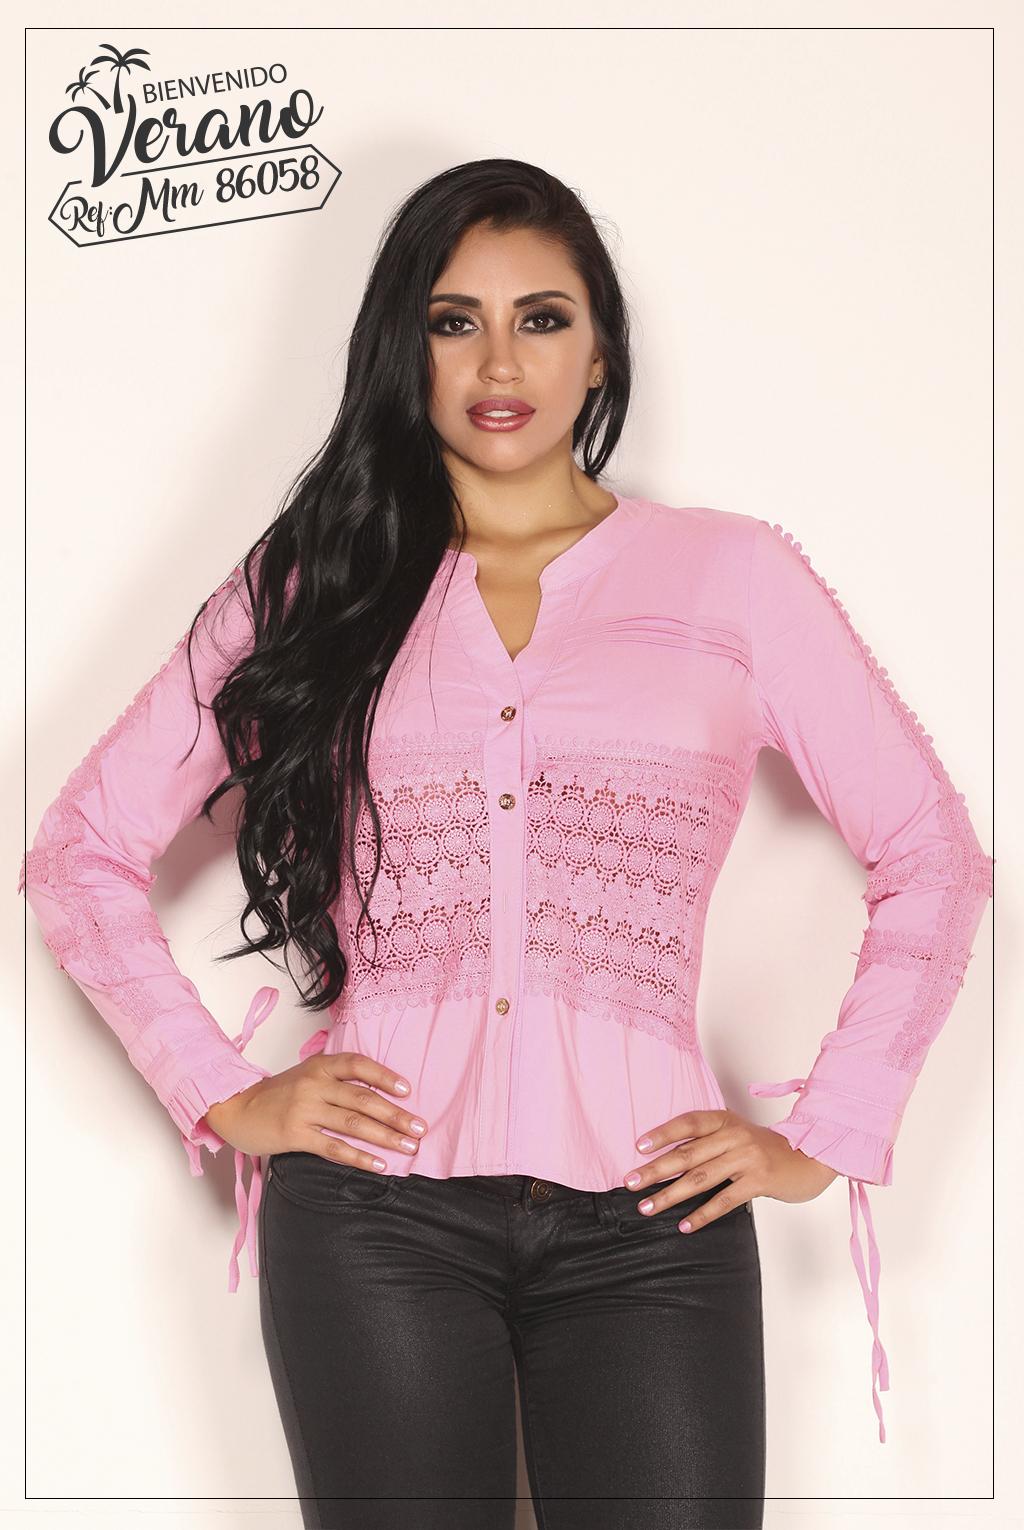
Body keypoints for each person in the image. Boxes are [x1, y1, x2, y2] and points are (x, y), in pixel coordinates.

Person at [20, 158, 993, 1530]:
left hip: (655, 1222)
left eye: (542, 318)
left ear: (600, 351)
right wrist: (222, 1093)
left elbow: (936, 854)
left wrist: (825, 1133)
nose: (498, 361)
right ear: (403, 349)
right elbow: (79, 851)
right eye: (451, 319)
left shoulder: (734, 578)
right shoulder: (319, 578)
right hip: (374, 1222)